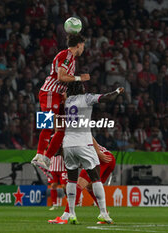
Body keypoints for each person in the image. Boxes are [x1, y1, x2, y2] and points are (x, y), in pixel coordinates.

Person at [60, 81, 124, 224]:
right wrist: (117, 92)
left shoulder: (67, 101)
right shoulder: (87, 98)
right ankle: (103, 213)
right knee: (95, 179)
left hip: (68, 144)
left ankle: (70, 214)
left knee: (71, 179)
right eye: (82, 86)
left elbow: (61, 95)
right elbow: (106, 98)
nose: (84, 87)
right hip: (84, 143)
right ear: (80, 89)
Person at [32, 33, 90, 171]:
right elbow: (61, 76)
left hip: (58, 94)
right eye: (83, 45)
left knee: (62, 129)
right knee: (48, 124)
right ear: (78, 45)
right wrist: (79, 78)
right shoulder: (67, 55)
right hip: (50, 92)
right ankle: (39, 155)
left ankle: (46, 158)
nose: (83, 48)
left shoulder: (71, 58)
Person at [48, 139, 116, 224]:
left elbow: (90, 137)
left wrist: (98, 152)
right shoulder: (69, 144)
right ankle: (105, 214)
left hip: (101, 157)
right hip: (109, 157)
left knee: (79, 186)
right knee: (90, 186)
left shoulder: (70, 142)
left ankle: (65, 216)